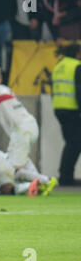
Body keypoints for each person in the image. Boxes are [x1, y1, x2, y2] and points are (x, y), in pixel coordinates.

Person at [51, 43, 81, 186]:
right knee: (75, 143)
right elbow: (79, 89)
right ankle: (66, 176)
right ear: (77, 54)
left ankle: (65, 174)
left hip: (59, 107)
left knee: (72, 142)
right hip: (73, 108)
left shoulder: (59, 66)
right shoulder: (77, 66)